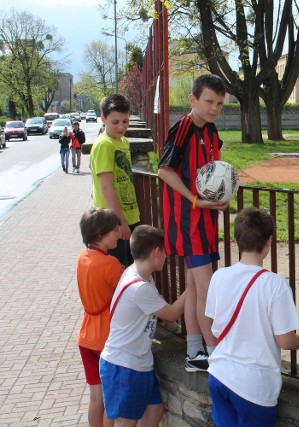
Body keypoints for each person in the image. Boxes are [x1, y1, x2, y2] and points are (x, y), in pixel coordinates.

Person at [205, 206, 299, 427]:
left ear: (236, 239)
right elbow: (286, 341)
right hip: (253, 386)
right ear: (269, 241)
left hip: (219, 375)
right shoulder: (275, 284)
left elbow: (213, 324)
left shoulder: (219, 276)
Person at [157, 74, 228, 372]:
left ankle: (193, 352)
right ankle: (214, 354)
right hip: (189, 222)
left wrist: (220, 195)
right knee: (207, 288)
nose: (214, 108)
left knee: (196, 288)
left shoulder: (210, 131)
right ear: (193, 100)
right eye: (209, 101)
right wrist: (196, 200)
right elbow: (164, 171)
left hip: (206, 220)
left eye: (220, 103)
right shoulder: (183, 128)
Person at [99, 225, 189, 426]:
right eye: (164, 251)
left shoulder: (142, 275)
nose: (166, 256)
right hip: (124, 365)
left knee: (155, 409)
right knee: (125, 422)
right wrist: (194, 284)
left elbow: (164, 315)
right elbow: (173, 312)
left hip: (138, 363)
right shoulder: (139, 287)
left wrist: (178, 330)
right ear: (156, 252)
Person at [76, 208, 123, 427]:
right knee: (112, 399)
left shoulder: (82, 258)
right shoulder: (110, 264)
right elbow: (126, 292)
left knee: (96, 397)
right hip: (106, 338)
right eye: (114, 230)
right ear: (99, 235)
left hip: (86, 335)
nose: (119, 233)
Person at [90, 94, 139, 267]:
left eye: (125, 121)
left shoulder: (123, 142)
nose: (121, 126)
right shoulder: (105, 144)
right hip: (112, 223)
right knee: (118, 271)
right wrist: (121, 222)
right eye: (115, 122)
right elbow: (106, 187)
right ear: (103, 119)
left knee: (129, 268)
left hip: (128, 216)